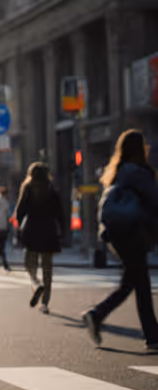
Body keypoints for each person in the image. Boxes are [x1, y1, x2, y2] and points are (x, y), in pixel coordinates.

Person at [83, 130, 158, 351]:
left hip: (118, 234)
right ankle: (97, 315)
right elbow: (155, 200)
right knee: (137, 283)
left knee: (135, 282)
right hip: (133, 233)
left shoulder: (118, 172)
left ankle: (151, 334)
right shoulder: (138, 172)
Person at [14, 163, 64, 314]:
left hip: (32, 229)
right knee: (48, 267)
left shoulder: (28, 188)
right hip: (49, 231)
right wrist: (62, 230)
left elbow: (20, 210)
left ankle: (36, 284)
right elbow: (60, 212)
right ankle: (45, 303)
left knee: (29, 262)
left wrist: (18, 225)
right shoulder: (51, 189)